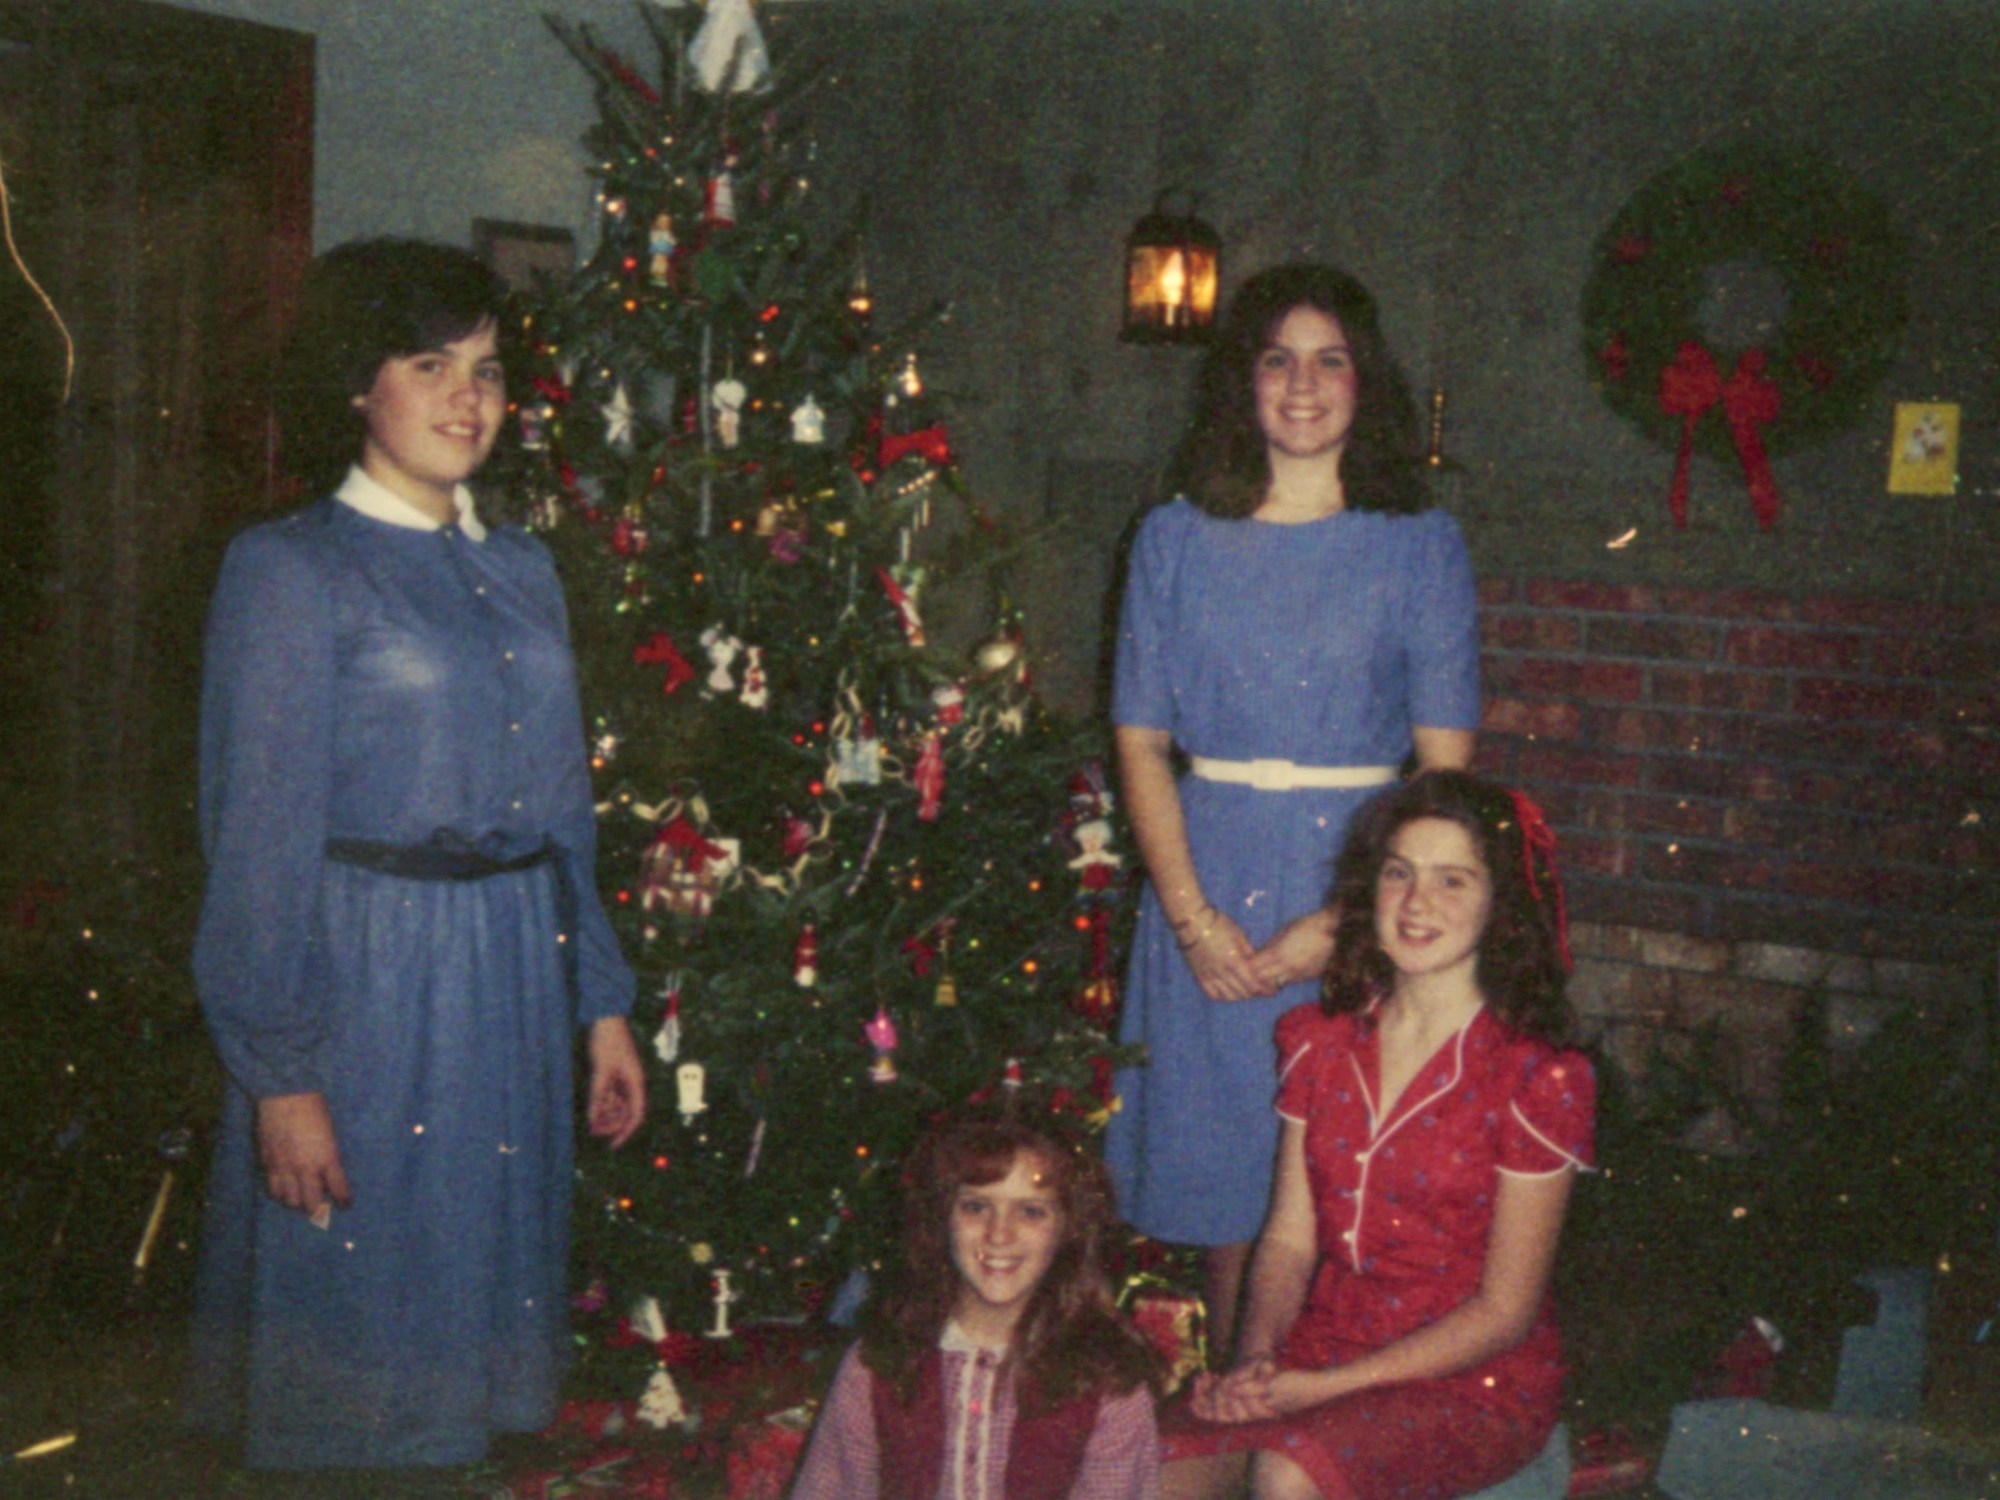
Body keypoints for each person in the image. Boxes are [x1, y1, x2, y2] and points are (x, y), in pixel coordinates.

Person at [184, 238, 647, 1474]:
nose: (468, 400)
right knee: (354, 1354)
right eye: (430, 365)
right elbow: (255, 838)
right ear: (355, 385)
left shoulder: (522, 568)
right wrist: (280, 1075)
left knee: (467, 1374)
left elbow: (565, 814)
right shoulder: (288, 570)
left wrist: (600, 1006)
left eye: (489, 373)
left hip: (504, 981)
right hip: (363, 989)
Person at [1104, 263, 1481, 1354]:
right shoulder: (1171, 538)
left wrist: (1347, 919)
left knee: (1335, 1169)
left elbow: (1442, 775)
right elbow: (1137, 739)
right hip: (1206, 871)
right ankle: (1236, 1394)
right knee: (1225, 1174)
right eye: (1276, 360)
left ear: (1367, 385)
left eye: (1329, 361)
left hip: (1366, 885)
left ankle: (1321, 1415)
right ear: (1242, 383)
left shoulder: (1416, 544)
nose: (1302, 385)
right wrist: (1190, 919)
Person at [1160, 770, 1594, 1500]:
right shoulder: (1320, 1042)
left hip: (1466, 1377)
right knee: (1146, 1466)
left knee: (1288, 1475)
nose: (1417, 903)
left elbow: (1504, 1311)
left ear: (1501, 906)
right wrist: (1259, 1363)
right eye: (1400, 873)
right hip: (1321, 1346)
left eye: (1453, 881)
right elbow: (1291, 1242)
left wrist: (1323, 1389)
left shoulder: (1534, 1077)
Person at [789, 1104, 1163, 1500]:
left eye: (1031, 1211)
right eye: (976, 1207)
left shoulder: (1106, 1382)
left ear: (1068, 1229)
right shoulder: (877, 1366)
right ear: (941, 1218)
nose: (999, 1234)